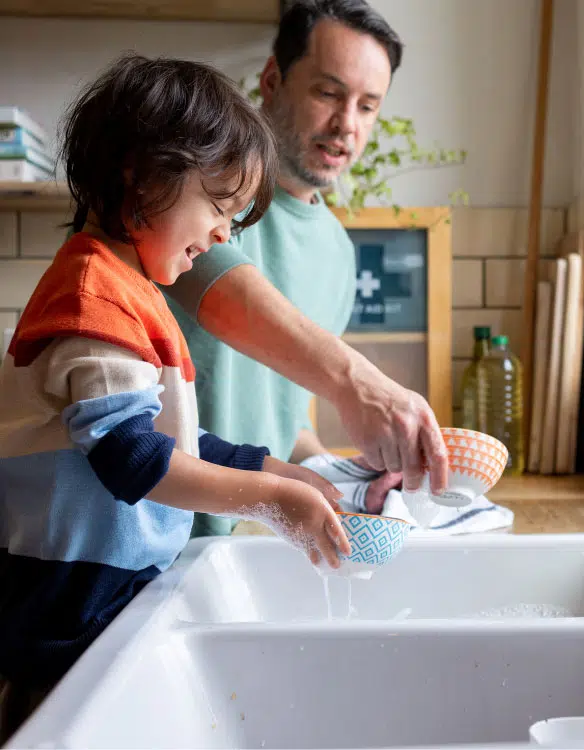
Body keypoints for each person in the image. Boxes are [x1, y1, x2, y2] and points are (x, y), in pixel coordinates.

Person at [0, 53, 352, 744]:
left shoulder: (132, 295)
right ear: (141, 176)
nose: (225, 234)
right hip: (63, 617)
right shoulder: (91, 299)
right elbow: (133, 460)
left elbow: (168, 441)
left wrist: (270, 469)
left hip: (96, 602)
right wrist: (270, 500)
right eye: (219, 206)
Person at [165, 0, 435, 536]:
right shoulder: (194, 190)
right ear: (272, 80)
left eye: (367, 106)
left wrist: (346, 477)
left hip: (231, 549)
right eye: (328, 93)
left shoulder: (338, 251)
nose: (346, 125)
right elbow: (224, 297)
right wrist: (359, 384)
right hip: (144, 544)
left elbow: (288, 422)